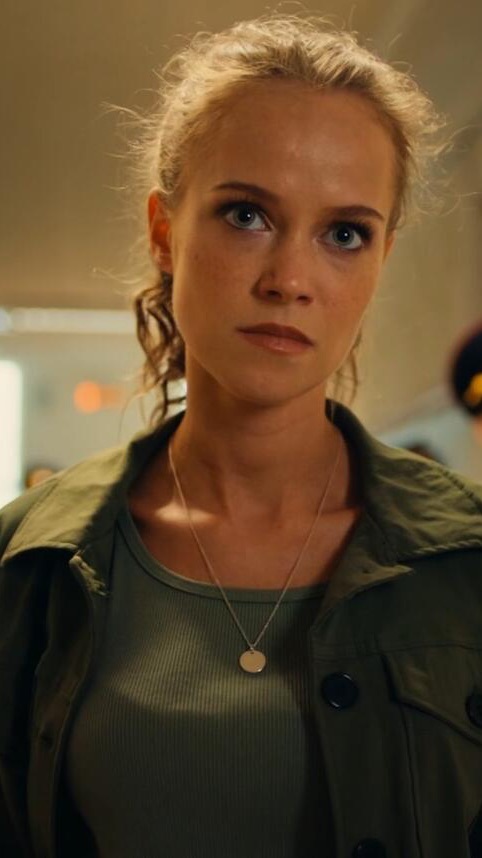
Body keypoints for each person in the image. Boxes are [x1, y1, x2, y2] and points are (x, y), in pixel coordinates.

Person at [1, 12, 482, 858]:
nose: (290, 279)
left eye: (344, 234)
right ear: (164, 232)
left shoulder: (468, 564)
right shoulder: (28, 566)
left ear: (379, 261)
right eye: (246, 215)